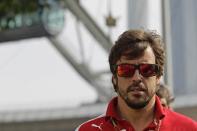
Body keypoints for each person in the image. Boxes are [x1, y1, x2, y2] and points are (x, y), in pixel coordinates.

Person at [75, 29, 197, 131]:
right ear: (114, 79)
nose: (137, 77)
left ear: (158, 77)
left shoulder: (189, 128)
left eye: (147, 69)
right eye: (126, 69)